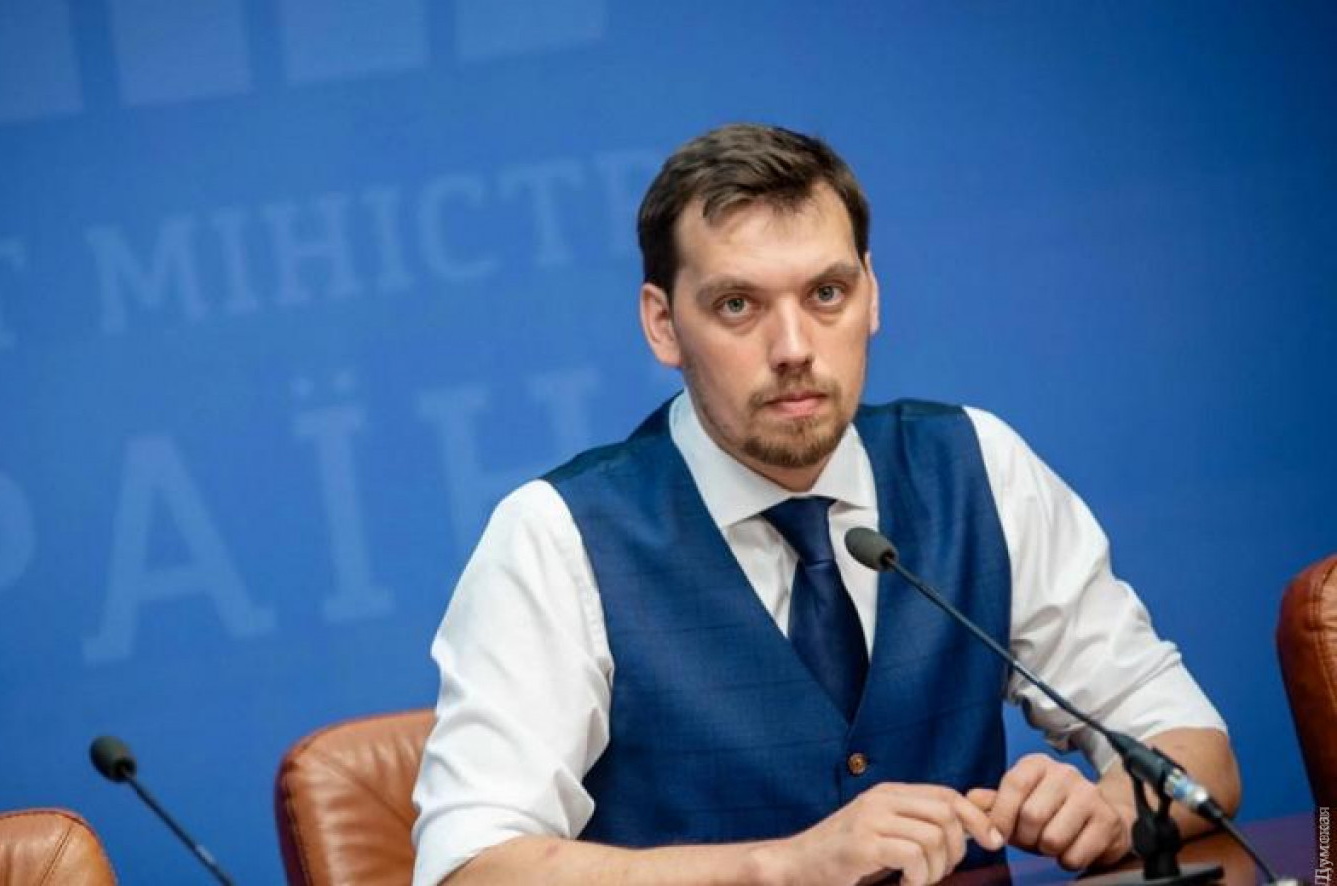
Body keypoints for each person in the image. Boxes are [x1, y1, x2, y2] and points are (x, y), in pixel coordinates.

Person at [410, 123, 1240, 886]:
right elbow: (471, 869)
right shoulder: (559, 537)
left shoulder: (977, 467)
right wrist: (780, 867)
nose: (794, 348)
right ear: (662, 325)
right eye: (738, 306)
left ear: (872, 295)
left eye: (827, 294)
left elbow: (1192, 747)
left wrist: (1115, 811)